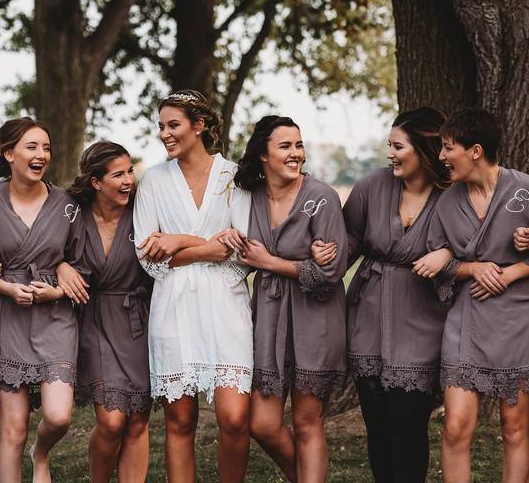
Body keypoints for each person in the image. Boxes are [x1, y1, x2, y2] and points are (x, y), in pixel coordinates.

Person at [427, 108, 529, 483]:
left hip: (522, 320)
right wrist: (471, 268)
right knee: (455, 426)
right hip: (468, 319)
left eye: (448, 148)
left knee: (514, 427)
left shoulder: (528, 189)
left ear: (475, 151)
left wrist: (518, 264)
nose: (441, 156)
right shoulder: (447, 203)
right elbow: (437, 264)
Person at [131, 90, 252, 482]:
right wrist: (207, 246)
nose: (165, 134)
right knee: (179, 421)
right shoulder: (153, 181)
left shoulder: (234, 177)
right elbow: (147, 255)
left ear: (199, 126)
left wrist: (178, 241)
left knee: (234, 420)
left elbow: (241, 251)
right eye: (161, 127)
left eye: (173, 125)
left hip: (226, 307)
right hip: (174, 308)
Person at [0, 117, 88, 483]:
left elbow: (83, 261)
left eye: (47, 148)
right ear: (9, 154)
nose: (42, 155)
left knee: (58, 416)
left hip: (55, 314)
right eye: (32, 147)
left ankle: (42, 453)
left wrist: (58, 284)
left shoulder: (67, 203)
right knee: (13, 428)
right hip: (7, 317)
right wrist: (4, 286)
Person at [231, 115, 348, 483]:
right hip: (268, 315)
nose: (296, 153)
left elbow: (329, 274)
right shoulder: (248, 199)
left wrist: (270, 262)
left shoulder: (322, 198)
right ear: (263, 154)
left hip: (316, 316)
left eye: (298, 145)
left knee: (307, 421)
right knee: (262, 423)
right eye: (285, 146)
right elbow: (237, 253)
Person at [344, 107, 452, 482]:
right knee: (377, 423)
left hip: (421, 316)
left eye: (398, 146)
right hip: (369, 313)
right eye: (389, 145)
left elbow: (476, 242)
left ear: (424, 149)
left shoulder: (452, 195)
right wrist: (319, 263)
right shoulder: (370, 186)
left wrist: (447, 253)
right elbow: (351, 241)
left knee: (408, 422)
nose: (390, 153)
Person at [65, 141, 154, 483]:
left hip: (138, 321)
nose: (129, 180)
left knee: (137, 420)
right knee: (112, 420)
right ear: (96, 182)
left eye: (130, 171)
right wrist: (60, 265)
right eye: (118, 174)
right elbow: (47, 248)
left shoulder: (144, 211)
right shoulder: (73, 213)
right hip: (94, 319)